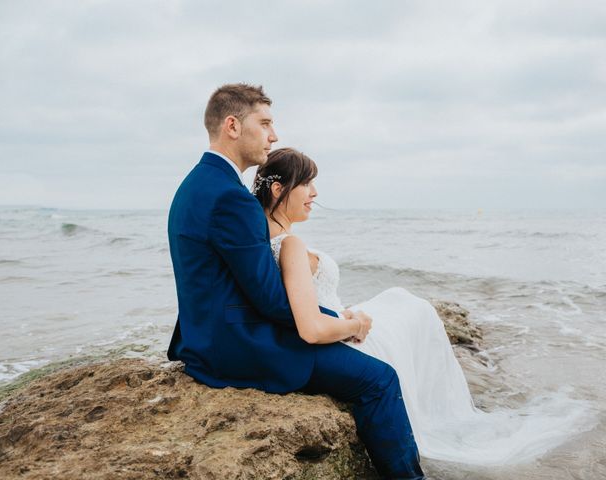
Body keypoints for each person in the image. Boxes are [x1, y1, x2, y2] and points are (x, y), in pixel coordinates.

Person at [253, 147, 597, 466]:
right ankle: (441, 416)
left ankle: (443, 408)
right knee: (415, 311)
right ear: (279, 189)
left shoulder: (261, 240)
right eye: (307, 184)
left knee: (402, 301)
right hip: (337, 334)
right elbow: (310, 326)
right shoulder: (290, 245)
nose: (314, 193)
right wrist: (355, 325)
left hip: (333, 319)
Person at [167, 83, 425, 479]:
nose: (274, 135)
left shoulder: (196, 185)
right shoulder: (228, 197)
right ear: (232, 125)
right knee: (379, 380)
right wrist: (336, 323)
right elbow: (270, 299)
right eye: (265, 123)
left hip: (206, 337)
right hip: (239, 346)